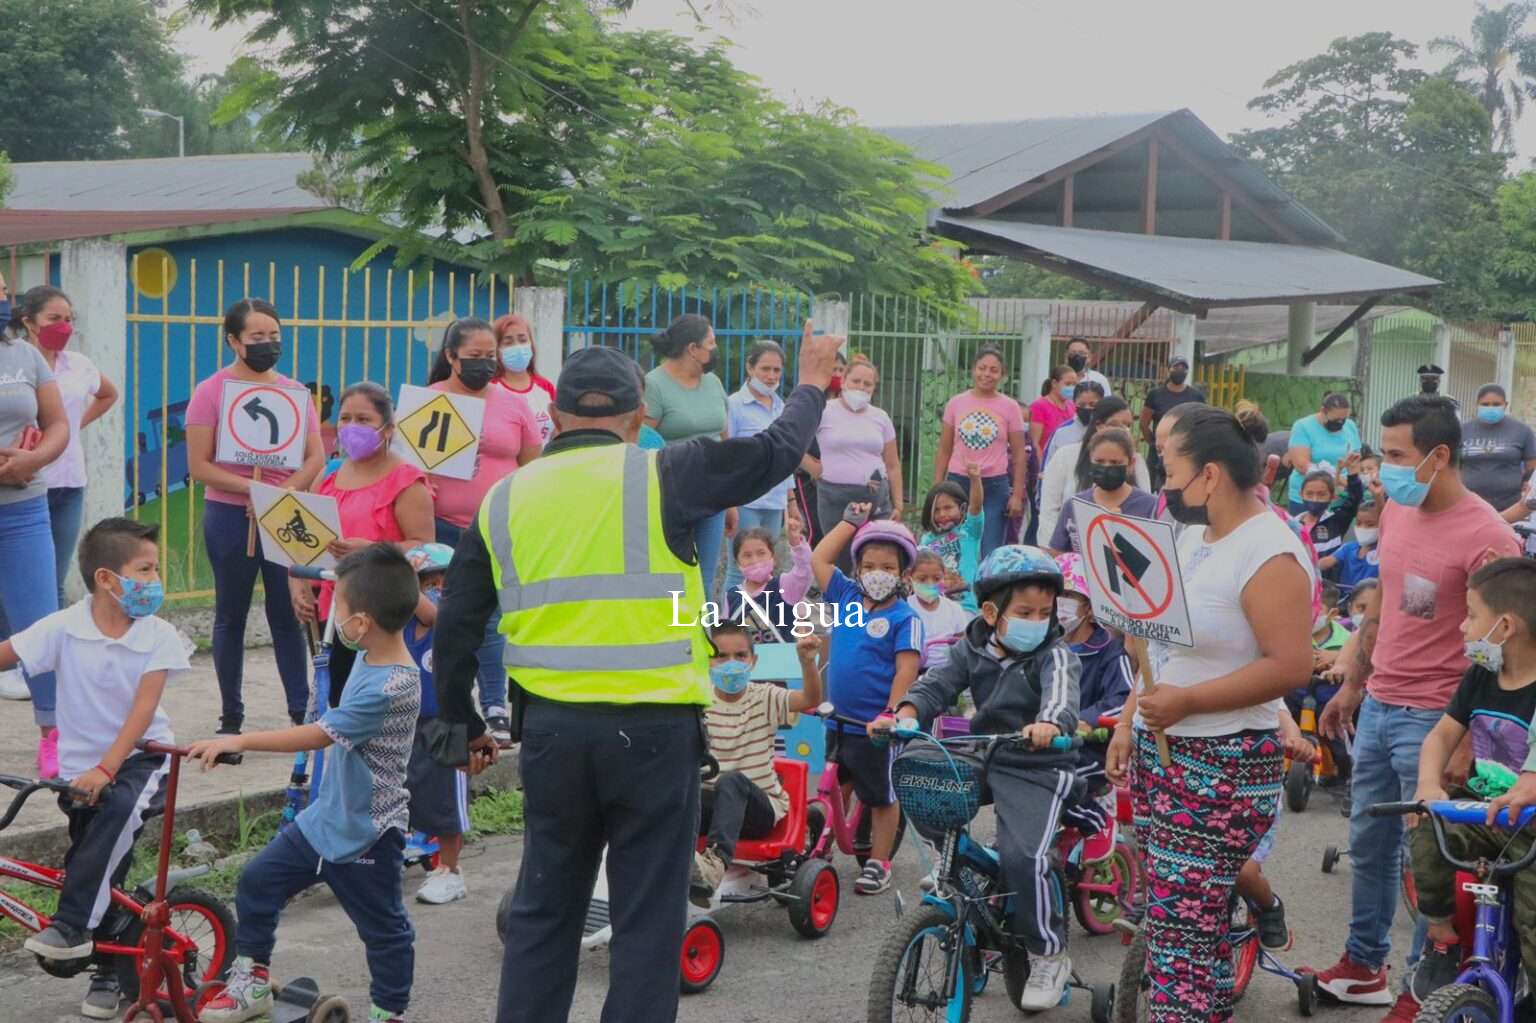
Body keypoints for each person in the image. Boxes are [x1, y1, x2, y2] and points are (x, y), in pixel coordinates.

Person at [430, 325, 842, 1023]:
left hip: (555, 737)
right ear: (636, 418)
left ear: (554, 417)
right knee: (649, 922)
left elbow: (456, 625)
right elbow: (775, 455)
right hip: (655, 737)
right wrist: (810, 384)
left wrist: (462, 725)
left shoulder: (503, 498)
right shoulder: (668, 470)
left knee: (544, 914)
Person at [1312, 395, 1521, 1020]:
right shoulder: (1399, 512)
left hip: (1439, 718)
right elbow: (1385, 603)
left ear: (1439, 456)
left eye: (1398, 456)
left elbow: (1503, 644)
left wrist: (1466, 738)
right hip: (1379, 704)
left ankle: (1421, 989)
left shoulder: (1488, 535)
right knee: (1369, 844)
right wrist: (1353, 676)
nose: (1385, 470)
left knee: (1428, 866)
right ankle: (1363, 962)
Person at [1106, 404, 1315, 1023]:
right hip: (1164, 751)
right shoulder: (1195, 539)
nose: (1162, 485)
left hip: (1220, 763)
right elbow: (1164, 653)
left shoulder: (1269, 550)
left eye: (1170, 469)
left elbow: (1290, 665)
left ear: (1211, 475)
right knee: (1173, 933)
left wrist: (1188, 703)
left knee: (1188, 940)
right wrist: (1127, 720)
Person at [192, 544, 421, 1023]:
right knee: (257, 882)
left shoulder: (392, 686)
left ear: (361, 623)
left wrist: (242, 738)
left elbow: (318, 734)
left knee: (383, 930)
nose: (333, 615)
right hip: (324, 819)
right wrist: (323, 575)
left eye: (338, 607)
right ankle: (253, 982)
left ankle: (389, 1012)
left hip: (368, 830)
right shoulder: (368, 651)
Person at [876, 545, 1081, 1009]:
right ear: (990, 611)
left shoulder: (1057, 654)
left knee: (1023, 856)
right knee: (923, 778)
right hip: (986, 753)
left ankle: (1048, 952)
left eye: (1045, 612)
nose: (1038, 619)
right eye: (1024, 611)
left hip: (1040, 765)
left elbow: (1062, 700)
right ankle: (962, 867)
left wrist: (1050, 724)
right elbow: (936, 685)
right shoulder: (971, 647)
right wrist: (903, 713)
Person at [6, 519, 187, 1019]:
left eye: (155, 569)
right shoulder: (65, 626)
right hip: (79, 772)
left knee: (113, 827)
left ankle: (71, 928)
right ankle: (109, 967)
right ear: (107, 578)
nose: (155, 580)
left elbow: (143, 711)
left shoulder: (158, 634)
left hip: (141, 761)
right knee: (98, 863)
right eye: (144, 570)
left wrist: (109, 769)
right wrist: (93, 771)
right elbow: (8, 654)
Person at [187, 299, 325, 733]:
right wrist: (251, 489)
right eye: (256, 338)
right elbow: (200, 465)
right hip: (229, 515)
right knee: (231, 612)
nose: (268, 345)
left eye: (274, 336)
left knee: (288, 611)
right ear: (233, 340)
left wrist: (278, 493)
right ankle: (231, 715)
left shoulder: (294, 391)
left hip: (284, 511)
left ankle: (299, 710)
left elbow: (316, 455)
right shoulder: (211, 391)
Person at [1407, 558, 1536, 1004]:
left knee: (1532, 917)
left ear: (1505, 626)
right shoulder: (1482, 674)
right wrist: (1429, 785)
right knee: (1427, 834)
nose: (1463, 627)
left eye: (1471, 614)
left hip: (1530, 819)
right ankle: (1442, 938)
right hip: (1483, 805)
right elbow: (1442, 735)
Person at [427, 318, 541, 743]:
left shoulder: (513, 405)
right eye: (473, 357)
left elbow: (532, 465)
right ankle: (447, 703)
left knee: (493, 618)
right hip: (440, 527)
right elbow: (405, 465)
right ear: (451, 357)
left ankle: (495, 704)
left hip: (497, 526)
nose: (483, 364)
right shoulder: (431, 403)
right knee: (446, 618)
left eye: (488, 357)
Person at [293, 382, 434, 707]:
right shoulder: (328, 475)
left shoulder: (407, 482)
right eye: (345, 419)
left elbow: (424, 548)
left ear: (387, 428)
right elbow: (304, 541)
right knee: (339, 703)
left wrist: (371, 550)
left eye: (363, 419)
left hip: (387, 615)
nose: (351, 428)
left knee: (376, 708)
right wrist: (298, 588)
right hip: (335, 612)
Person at [811, 510, 923, 896]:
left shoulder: (905, 617)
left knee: (880, 796)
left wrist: (891, 713)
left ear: (903, 574)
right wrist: (848, 524)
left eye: (888, 567)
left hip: (875, 729)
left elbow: (906, 669)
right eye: (870, 565)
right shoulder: (845, 596)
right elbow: (820, 559)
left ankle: (879, 861)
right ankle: (821, 845)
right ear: (857, 569)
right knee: (834, 786)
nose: (878, 573)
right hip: (837, 720)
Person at [691, 625, 824, 904]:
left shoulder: (765, 696)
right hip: (713, 805)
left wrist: (807, 662)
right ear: (707, 661)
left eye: (740, 656)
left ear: (754, 661)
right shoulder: (699, 700)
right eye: (721, 656)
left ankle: (714, 866)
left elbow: (811, 699)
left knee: (732, 781)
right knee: (678, 785)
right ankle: (676, 862)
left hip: (758, 810)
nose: (731, 664)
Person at [12, 287, 118, 610]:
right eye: (54, 319)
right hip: (27, 485)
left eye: (69, 319)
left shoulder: (79, 364)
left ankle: (49, 658)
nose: (64, 327)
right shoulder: (15, 363)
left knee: (54, 580)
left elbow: (108, 394)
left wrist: (72, 426)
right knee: (19, 578)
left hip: (70, 483)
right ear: (30, 322)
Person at [399, 542, 471, 907]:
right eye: (424, 581)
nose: (430, 588)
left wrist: (405, 585)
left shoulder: (446, 615)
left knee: (447, 802)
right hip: (407, 720)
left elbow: (435, 615)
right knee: (408, 791)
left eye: (436, 582)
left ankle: (451, 870)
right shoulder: (401, 622)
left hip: (445, 720)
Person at [644, 314, 733, 601]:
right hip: (671, 497)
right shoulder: (654, 385)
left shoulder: (713, 383)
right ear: (693, 349)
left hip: (713, 496)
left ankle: (701, 642)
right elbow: (644, 443)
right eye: (711, 343)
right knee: (674, 580)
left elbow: (724, 438)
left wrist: (731, 498)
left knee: (704, 581)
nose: (715, 349)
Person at [809, 354, 904, 573]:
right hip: (834, 497)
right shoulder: (823, 410)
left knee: (878, 556)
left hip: (875, 494)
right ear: (843, 381)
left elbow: (892, 464)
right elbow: (796, 445)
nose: (861, 387)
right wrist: (813, 468)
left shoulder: (881, 417)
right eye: (856, 381)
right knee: (838, 561)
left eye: (867, 384)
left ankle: (874, 606)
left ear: (874, 388)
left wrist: (898, 504)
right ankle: (840, 606)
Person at [933, 346, 1028, 559]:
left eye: (994, 370)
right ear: (973, 370)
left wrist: (1017, 495)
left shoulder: (1010, 407)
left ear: (1003, 375)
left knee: (990, 549)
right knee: (952, 548)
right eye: (982, 368)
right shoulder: (956, 403)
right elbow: (944, 449)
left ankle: (985, 592)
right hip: (958, 484)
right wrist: (938, 488)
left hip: (994, 487)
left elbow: (1020, 455)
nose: (987, 374)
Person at [722, 340, 795, 596]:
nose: (771, 376)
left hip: (774, 501)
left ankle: (760, 626)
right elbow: (726, 454)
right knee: (739, 566)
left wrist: (791, 501)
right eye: (765, 368)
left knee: (766, 568)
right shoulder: (733, 405)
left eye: (777, 370)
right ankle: (729, 625)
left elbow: (786, 456)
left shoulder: (781, 407)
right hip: (745, 499)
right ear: (749, 368)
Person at [1039, 398, 1150, 546]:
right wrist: (1054, 555)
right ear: (1099, 425)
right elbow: (1049, 511)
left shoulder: (1137, 463)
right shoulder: (1065, 457)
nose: (1125, 430)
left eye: (1128, 425)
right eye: (1117, 424)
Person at [1054, 553, 1132, 736]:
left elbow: (1123, 700)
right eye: (1054, 595)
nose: (1057, 603)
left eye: (1067, 595)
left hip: (1084, 752)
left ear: (1090, 608)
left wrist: (1087, 719)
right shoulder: (1042, 649)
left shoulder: (1110, 652)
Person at [1048, 427, 1156, 555]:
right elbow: (1057, 555)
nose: (1106, 467)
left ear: (1131, 463)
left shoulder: (1149, 506)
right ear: (1090, 460)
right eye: (1099, 461)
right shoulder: (1074, 505)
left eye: (1115, 462)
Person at [723, 522, 812, 645]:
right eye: (747, 555)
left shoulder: (785, 586)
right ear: (738, 563)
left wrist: (796, 544)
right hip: (745, 663)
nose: (755, 560)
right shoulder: (731, 596)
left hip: (782, 660)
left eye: (761, 553)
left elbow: (805, 571)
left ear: (773, 558)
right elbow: (724, 636)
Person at [918, 463, 984, 613]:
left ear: (962, 508)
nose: (942, 514)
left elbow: (976, 507)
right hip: (936, 607)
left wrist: (975, 479)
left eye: (948, 508)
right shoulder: (927, 540)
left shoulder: (969, 531)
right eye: (936, 510)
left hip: (966, 607)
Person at [1461, 383, 1536, 514]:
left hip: (1509, 507)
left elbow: (1532, 465)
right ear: (1477, 404)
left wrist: (1523, 483)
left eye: (1496, 404)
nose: (1491, 408)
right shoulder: (1463, 431)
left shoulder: (1522, 431)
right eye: (1485, 404)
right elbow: (1453, 466)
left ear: (1505, 405)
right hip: (1468, 505)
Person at [1285, 393, 1362, 514]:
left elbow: (1356, 458)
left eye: (1344, 419)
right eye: (1335, 420)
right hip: (1309, 497)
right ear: (1323, 411)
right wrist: (1336, 478)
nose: (1340, 423)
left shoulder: (1350, 426)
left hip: (1341, 495)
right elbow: (1301, 465)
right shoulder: (1303, 426)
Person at [1139, 355, 1205, 489]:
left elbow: (1202, 421)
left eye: (1183, 368)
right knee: (1156, 488)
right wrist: (1152, 442)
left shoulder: (1196, 396)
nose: (1180, 371)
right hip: (1159, 453)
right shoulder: (1155, 395)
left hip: (1184, 450)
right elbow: (1144, 422)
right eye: (1176, 367)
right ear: (1169, 369)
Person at [493, 314, 557, 446]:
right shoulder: (490, 388)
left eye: (522, 340)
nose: (517, 347)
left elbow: (558, 428)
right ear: (497, 349)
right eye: (508, 342)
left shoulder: (546, 387)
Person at [907, 550, 972, 670]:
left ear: (943, 577)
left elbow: (963, 641)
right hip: (913, 671)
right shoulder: (905, 608)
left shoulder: (954, 609)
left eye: (936, 578)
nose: (930, 584)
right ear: (909, 578)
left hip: (946, 672)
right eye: (922, 579)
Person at [1293, 464, 1365, 564]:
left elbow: (1355, 498)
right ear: (1301, 494)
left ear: (1332, 497)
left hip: (1328, 578)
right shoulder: (1292, 524)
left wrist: (1352, 475)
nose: (1315, 499)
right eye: (1309, 494)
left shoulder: (1337, 520)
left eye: (1321, 494)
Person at [1320, 498, 1382, 596]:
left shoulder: (1385, 552)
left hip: (1371, 603)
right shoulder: (1348, 548)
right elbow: (1325, 562)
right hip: (1344, 602)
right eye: (1358, 523)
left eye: (1370, 524)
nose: (1363, 528)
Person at [1042, 379, 1104, 472]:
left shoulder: (1108, 430)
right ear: (1074, 403)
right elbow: (1047, 467)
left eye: (1092, 404)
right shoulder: (1062, 432)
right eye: (1082, 404)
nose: (1087, 408)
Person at [1028, 364, 1078, 460]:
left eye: (1074, 384)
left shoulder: (1073, 406)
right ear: (1054, 383)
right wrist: (1040, 467)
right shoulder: (1039, 406)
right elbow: (1035, 443)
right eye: (1068, 384)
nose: (1072, 388)